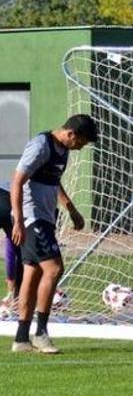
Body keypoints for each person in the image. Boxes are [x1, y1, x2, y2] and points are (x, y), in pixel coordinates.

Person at [10, 114, 99, 353]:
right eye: (81, 142)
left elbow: (54, 181)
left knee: (33, 273)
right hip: (31, 217)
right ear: (71, 134)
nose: (81, 148)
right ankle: (40, 333)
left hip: (46, 218)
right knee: (54, 268)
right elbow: (17, 181)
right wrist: (18, 220)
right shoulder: (41, 146)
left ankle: (20, 339)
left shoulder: (62, 150)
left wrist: (71, 208)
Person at [1, 180, 22, 306]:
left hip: (7, 197)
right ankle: (16, 298)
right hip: (9, 199)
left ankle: (13, 297)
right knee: (18, 247)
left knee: (14, 242)